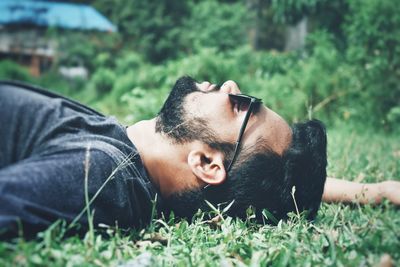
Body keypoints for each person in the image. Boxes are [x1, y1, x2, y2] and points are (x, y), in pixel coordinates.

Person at [0, 77, 398, 239]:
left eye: (243, 105)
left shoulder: (101, 174)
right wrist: (373, 190)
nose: (230, 86)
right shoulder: (124, 159)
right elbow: (275, 187)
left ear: (208, 163)